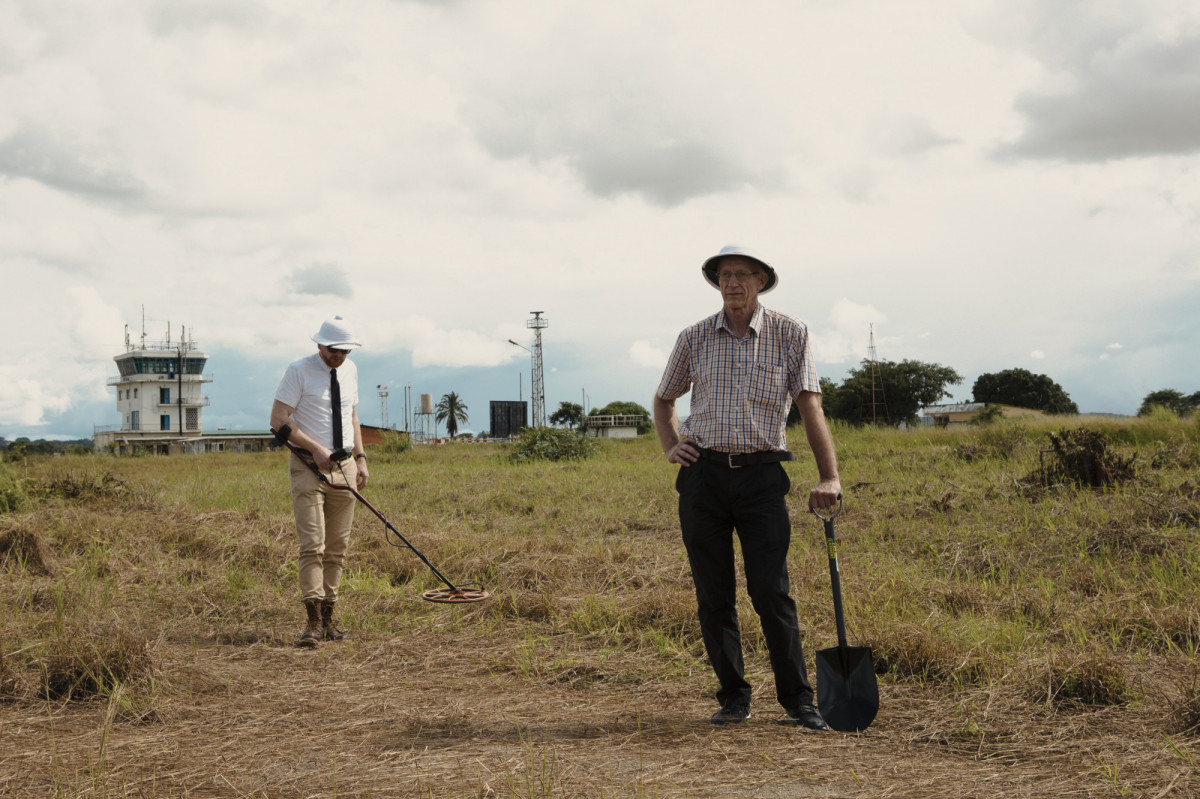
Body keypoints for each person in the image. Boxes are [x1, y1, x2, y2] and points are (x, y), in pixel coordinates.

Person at [653, 245, 841, 730]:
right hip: (704, 477)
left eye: (742, 274)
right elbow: (664, 398)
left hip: (762, 477)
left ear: (762, 281)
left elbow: (810, 407)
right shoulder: (694, 337)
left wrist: (829, 476)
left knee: (771, 591)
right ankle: (734, 697)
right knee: (713, 594)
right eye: (724, 275)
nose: (731, 282)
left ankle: (798, 700)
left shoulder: (790, 332)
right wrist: (672, 445)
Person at [270, 315, 369, 647]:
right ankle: (312, 622)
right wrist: (315, 448)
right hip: (308, 465)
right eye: (333, 350)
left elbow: (351, 415)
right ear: (319, 344)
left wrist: (360, 458)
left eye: (345, 351)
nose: (339, 356)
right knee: (313, 544)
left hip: (345, 467)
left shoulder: (351, 371)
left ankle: (328, 620)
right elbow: (278, 419)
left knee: (337, 548)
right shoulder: (298, 370)